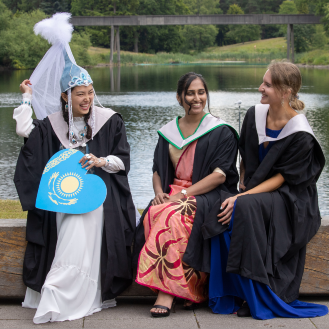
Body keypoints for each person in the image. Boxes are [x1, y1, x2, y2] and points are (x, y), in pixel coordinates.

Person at [13, 13, 137, 323]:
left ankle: (81, 291)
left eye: (90, 92)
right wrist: (26, 98)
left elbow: (123, 163)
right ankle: (58, 288)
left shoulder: (110, 121)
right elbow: (23, 131)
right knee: (69, 217)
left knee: (90, 214)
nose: (87, 99)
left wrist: (100, 161)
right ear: (65, 97)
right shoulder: (52, 126)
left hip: (101, 193)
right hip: (63, 196)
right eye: (80, 94)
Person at [203, 61, 328, 320]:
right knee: (219, 207)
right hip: (255, 190)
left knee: (243, 207)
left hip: (291, 199)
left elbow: (283, 179)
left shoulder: (301, 133)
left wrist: (242, 196)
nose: (260, 88)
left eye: (267, 85)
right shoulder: (254, 115)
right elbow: (246, 158)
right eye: (263, 82)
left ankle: (259, 293)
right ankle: (237, 292)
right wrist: (242, 185)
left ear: (285, 92)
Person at [133, 72, 239, 317]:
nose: (196, 98)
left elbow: (220, 175)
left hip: (209, 194)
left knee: (173, 216)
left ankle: (167, 293)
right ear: (180, 97)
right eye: (190, 93)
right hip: (173, 193)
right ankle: (189, 291)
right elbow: (157, 170)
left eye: (201, 92)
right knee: (155, 211)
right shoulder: (168, 132)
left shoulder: (220, 130)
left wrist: (182, 195)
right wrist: (159, 192)